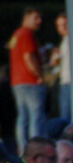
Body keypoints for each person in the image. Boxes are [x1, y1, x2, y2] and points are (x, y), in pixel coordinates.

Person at [8, 8, 46, 154]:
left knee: (23, 117)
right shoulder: (26, 34)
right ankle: (36, 151)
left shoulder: (16, 34)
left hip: (18, 82)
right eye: (36, 17)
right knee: (36, 117)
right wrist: (39, 75)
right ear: (26, 17)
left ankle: (24, 150)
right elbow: (28, 57)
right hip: (30, 81)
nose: (39, 21)